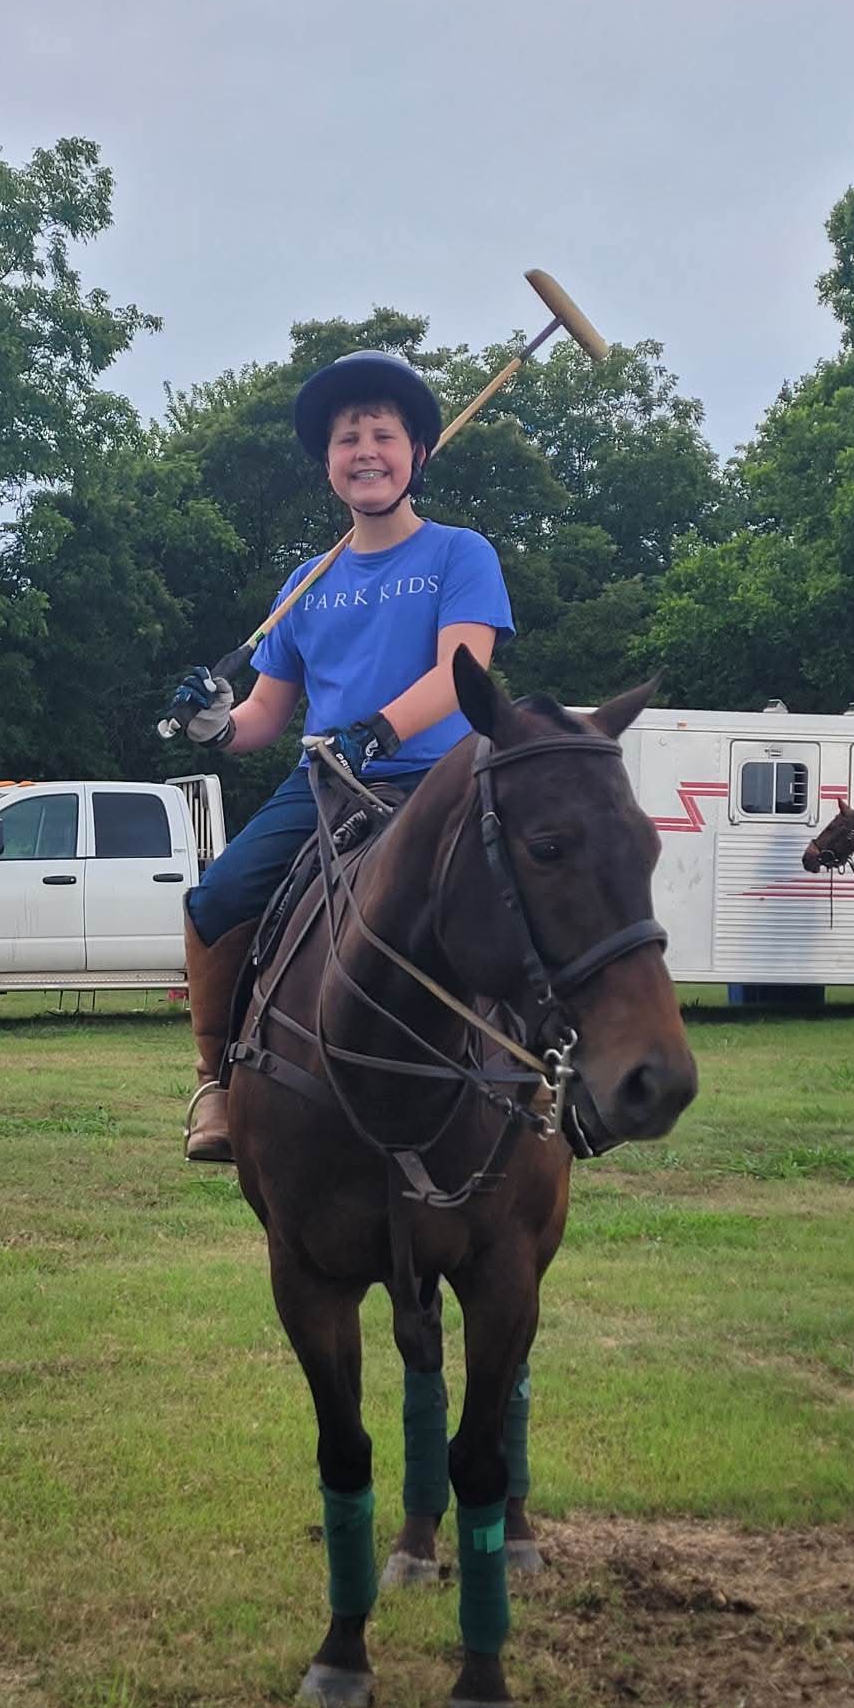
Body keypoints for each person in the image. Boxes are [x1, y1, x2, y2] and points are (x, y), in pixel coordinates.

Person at [169, 350, 516, 1161]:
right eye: (347, 439)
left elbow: (462, 671)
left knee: (530, 895)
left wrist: (378, 732)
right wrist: (212, 725)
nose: (365, 451)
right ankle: (216, 1082)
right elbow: (264, 716)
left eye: (383, 435)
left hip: (440, 778)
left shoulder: (460, 553)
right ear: (327, 464)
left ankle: (562, 1079)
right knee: (217, 899)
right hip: (326, 784)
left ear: (417, 454)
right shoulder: (305, 581)